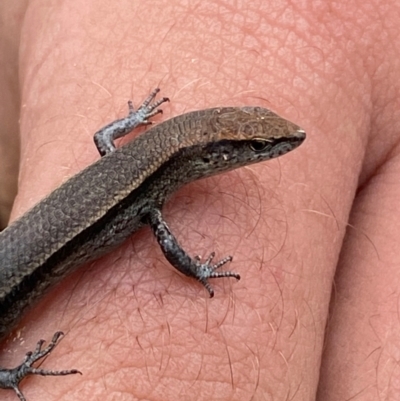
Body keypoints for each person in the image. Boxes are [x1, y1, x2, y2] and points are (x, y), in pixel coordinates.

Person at [1, 1, 399, 400]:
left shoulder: (139, 175)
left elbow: (104, 137)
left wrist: (136, 119)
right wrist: (200, 272)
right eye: (259, 147)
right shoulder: (150, 200)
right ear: (210, 156)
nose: (274, 147)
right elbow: (170, 248)